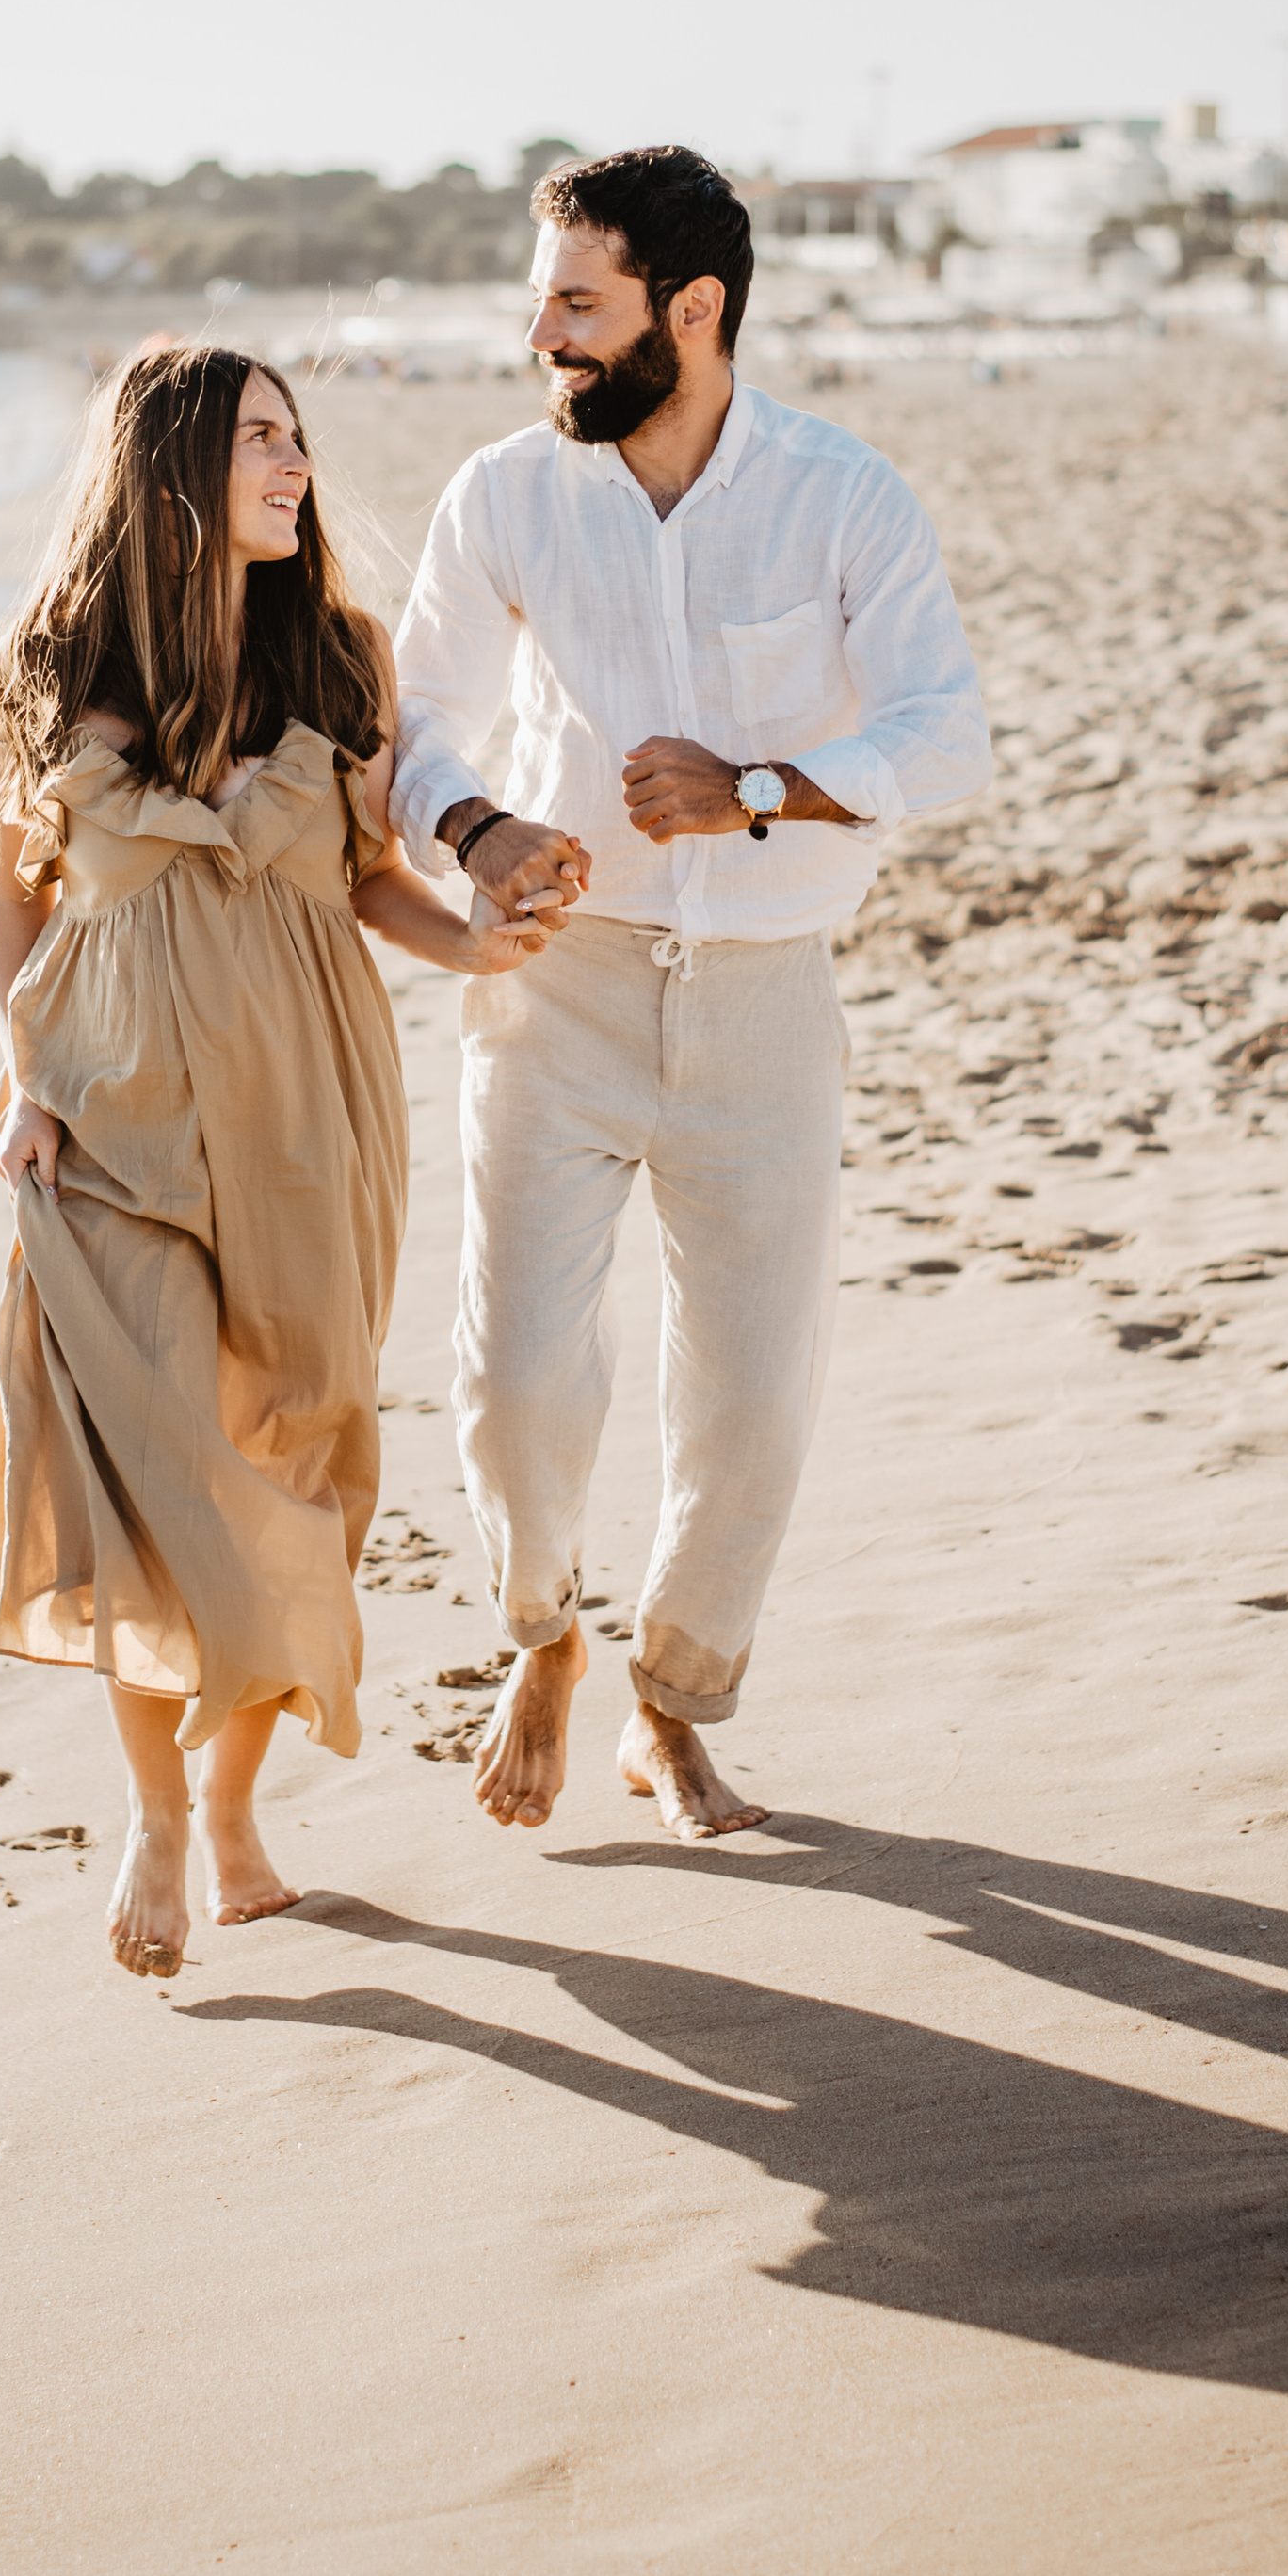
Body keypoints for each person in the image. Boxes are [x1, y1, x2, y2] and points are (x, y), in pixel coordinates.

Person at [390, 146, 992, 1841]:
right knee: (517, 1377)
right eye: (542, 303)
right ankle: (543, 1634)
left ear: (694, 308)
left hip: (763, 998)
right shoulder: (506, 493)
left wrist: (762, 789)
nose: (545, 338)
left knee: (747, 1396)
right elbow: (411, 716)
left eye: (578, 305)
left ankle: (674, 1696)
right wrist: (479, 821)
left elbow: (947, 732)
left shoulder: (841, 493)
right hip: (551, 987)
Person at [0, 345, 556, 1981]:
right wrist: (22, 1079)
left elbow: (371, 882)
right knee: (158, 1467)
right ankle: (158, 1816)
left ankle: (235, 1804)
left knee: (304, 1458)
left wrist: (481, 945)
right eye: (260, 442)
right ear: (170, 469)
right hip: (109, 1109)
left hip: (312, 1109)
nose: (298, 467)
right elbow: (15, 894)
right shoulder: (41, 665)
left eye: (301, 437)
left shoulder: (340, 652)